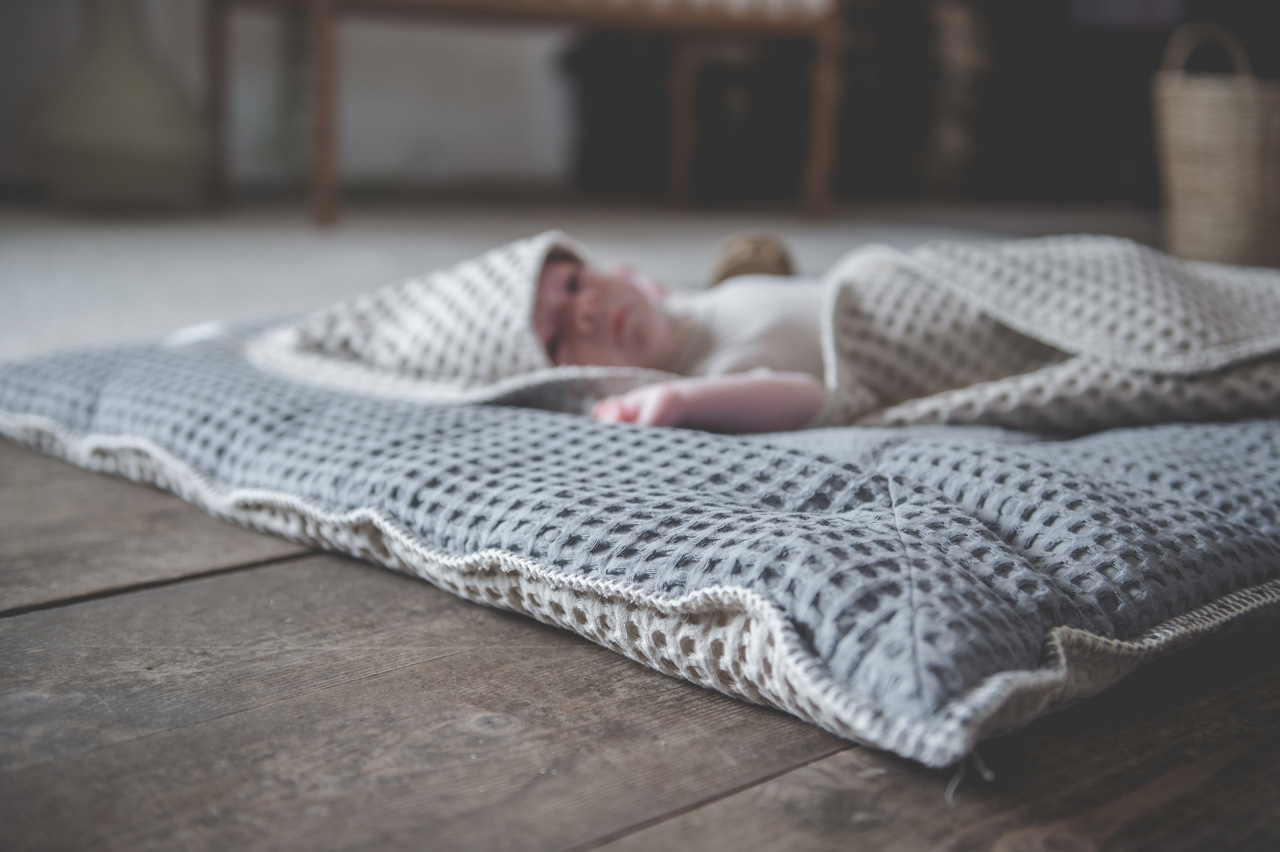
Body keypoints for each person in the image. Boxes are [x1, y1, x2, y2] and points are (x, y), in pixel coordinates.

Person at [532, 238, 829, 433]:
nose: (584, 311)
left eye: (573, 283)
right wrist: (681, 401)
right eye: (556, 340)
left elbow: (636, 281)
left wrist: (640, 284)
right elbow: (809, 396)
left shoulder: (669, 305)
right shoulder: (709, 376)